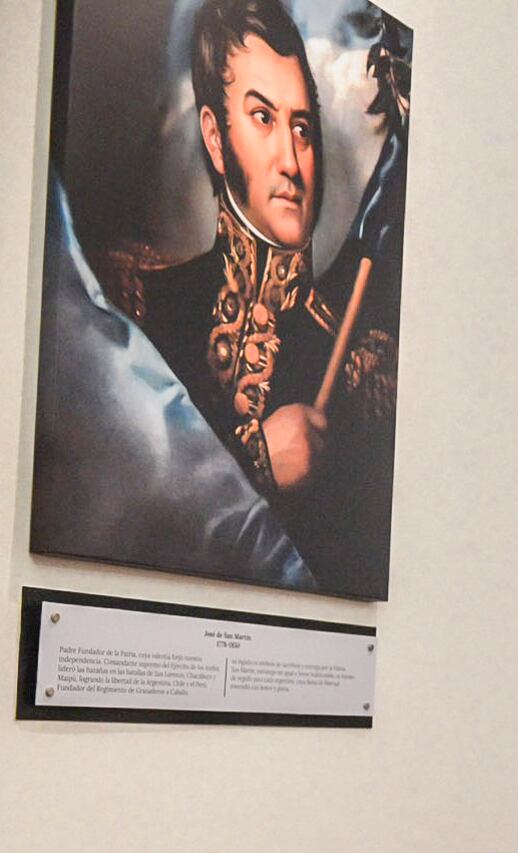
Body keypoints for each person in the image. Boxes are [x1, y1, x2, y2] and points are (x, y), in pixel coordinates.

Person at [88, 0, 402, 595]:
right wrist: (257, 459)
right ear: (215, 136)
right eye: (263, 118)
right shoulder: (137, 301)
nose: (291, 161)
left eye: (302, 128)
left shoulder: (360, 373)